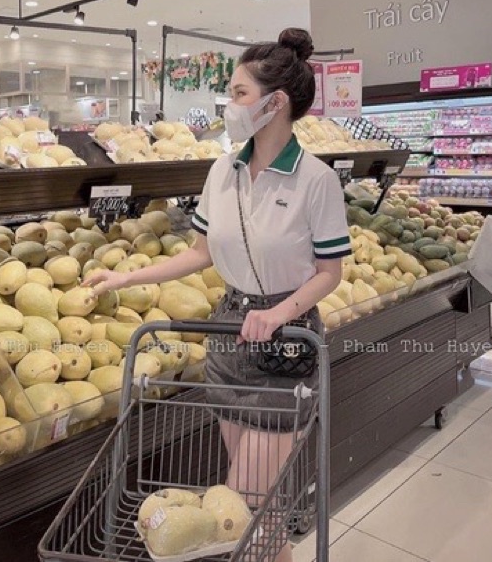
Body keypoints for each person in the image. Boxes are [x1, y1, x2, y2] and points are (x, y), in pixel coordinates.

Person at [82, 28, 350, 562]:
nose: (230, 105)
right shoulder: (222, 172)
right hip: (227, 333)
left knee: (239, 501)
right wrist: (124, 279)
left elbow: (329, 273)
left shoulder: (315, 180)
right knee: (255, 509)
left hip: (286, 343)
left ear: (275, 103)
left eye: (239, 93)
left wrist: (279, 313)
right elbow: (199, 253)